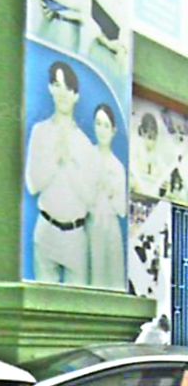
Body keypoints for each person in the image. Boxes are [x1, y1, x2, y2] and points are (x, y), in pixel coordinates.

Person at [25, 61, 94, 285]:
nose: (63, 93)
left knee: (79, 302)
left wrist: (70, 163)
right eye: (57, 85)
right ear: (50, 88)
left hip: (75, 235)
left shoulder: (85, 144)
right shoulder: (40, 132)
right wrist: (55, 158)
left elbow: (89, 199)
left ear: (76, 96)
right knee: (43, 301)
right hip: (46, 230)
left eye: (68, 87)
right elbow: (32, 185)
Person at [87, 104, 126, 290]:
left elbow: (122, 210)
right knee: (94, 278)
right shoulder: (86, 157)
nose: (102, 130)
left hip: (111, 229)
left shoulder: (118, 167)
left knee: (114, 280)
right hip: (91, 226)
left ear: (113, 130)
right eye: (98, 124)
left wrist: (111, 191)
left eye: (106, 125)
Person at [130, 113, 168, 198]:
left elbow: (165, 175)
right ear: (143, 132)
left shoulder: (157, 156)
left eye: (154, 138)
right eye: (150, 137)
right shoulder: (135, 149)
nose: (152, 143)